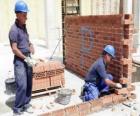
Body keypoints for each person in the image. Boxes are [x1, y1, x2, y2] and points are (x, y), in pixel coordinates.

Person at [9, 1, 34, 115]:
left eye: (26, 14)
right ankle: (17, 109)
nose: (26, 17)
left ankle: (26, 104)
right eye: (24, 15)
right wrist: (25, 58)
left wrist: (31, 45)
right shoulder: (13, 30)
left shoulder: (24, 27)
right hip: (20, 61)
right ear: (18, 15)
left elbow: (27, 41)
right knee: (22, 85)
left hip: (27, 58)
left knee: (29, 83)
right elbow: (14, 48)